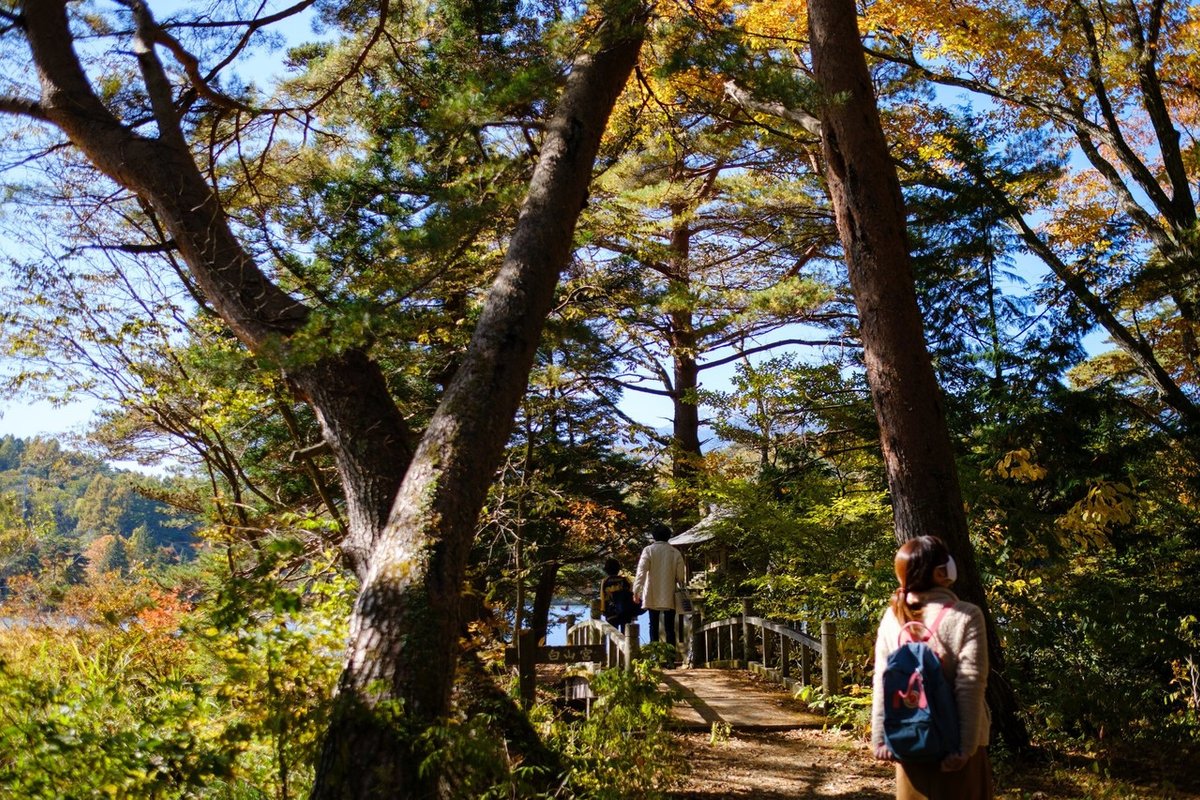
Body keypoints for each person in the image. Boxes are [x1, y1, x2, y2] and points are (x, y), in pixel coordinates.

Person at [871, 535, 993, 800]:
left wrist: (880, 739)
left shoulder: (893, 617)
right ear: (943, 572)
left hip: (908, 741)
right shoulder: (966, 615)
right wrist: (965, 748)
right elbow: (969, 685)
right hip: (955, 749)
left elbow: (882, 680)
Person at [632, 522, 686, 649]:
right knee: (670, 627)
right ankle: (670, 659)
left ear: (654, 536)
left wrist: (636, 591)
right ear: (668, 536)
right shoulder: (675, 552)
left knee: (653, 625)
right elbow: (681, 577)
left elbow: (641, 572)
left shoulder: (648, 550)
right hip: (669, 593)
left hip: (652, 592)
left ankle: (655, 656)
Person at [599, 557, 637, 631]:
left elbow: (603, 597)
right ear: (618, 569)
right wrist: (633, 613)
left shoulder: (605, 581)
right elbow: (631, 595)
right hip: (625, 612)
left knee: (614, 636)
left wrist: (603, 610)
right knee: (625, 636)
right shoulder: (625, 580)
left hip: (611, 612)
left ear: (606, 570)